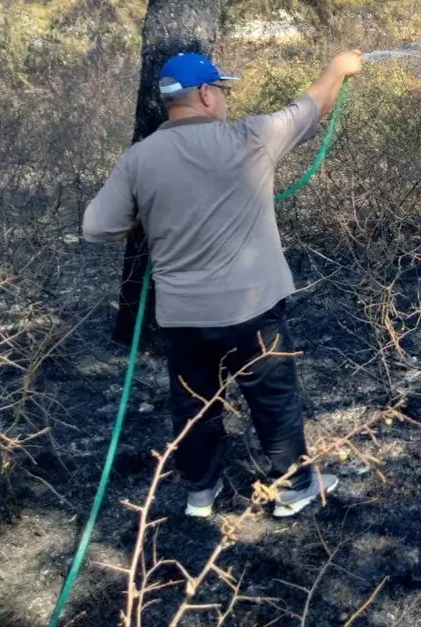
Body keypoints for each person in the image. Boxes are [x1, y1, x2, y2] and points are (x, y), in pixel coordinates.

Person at [82, 49, 364, 518]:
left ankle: (200, 493)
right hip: (253, 310)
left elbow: (97, 227)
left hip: (183, 316)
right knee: (273, 398)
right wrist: (338, 68)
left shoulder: (139, 159)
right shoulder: (250, 137)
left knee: (194, 403)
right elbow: (312, 106)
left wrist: (145, 217)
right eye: (221, 89)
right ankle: (293, 488)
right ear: (206, 94)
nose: (225, 99)